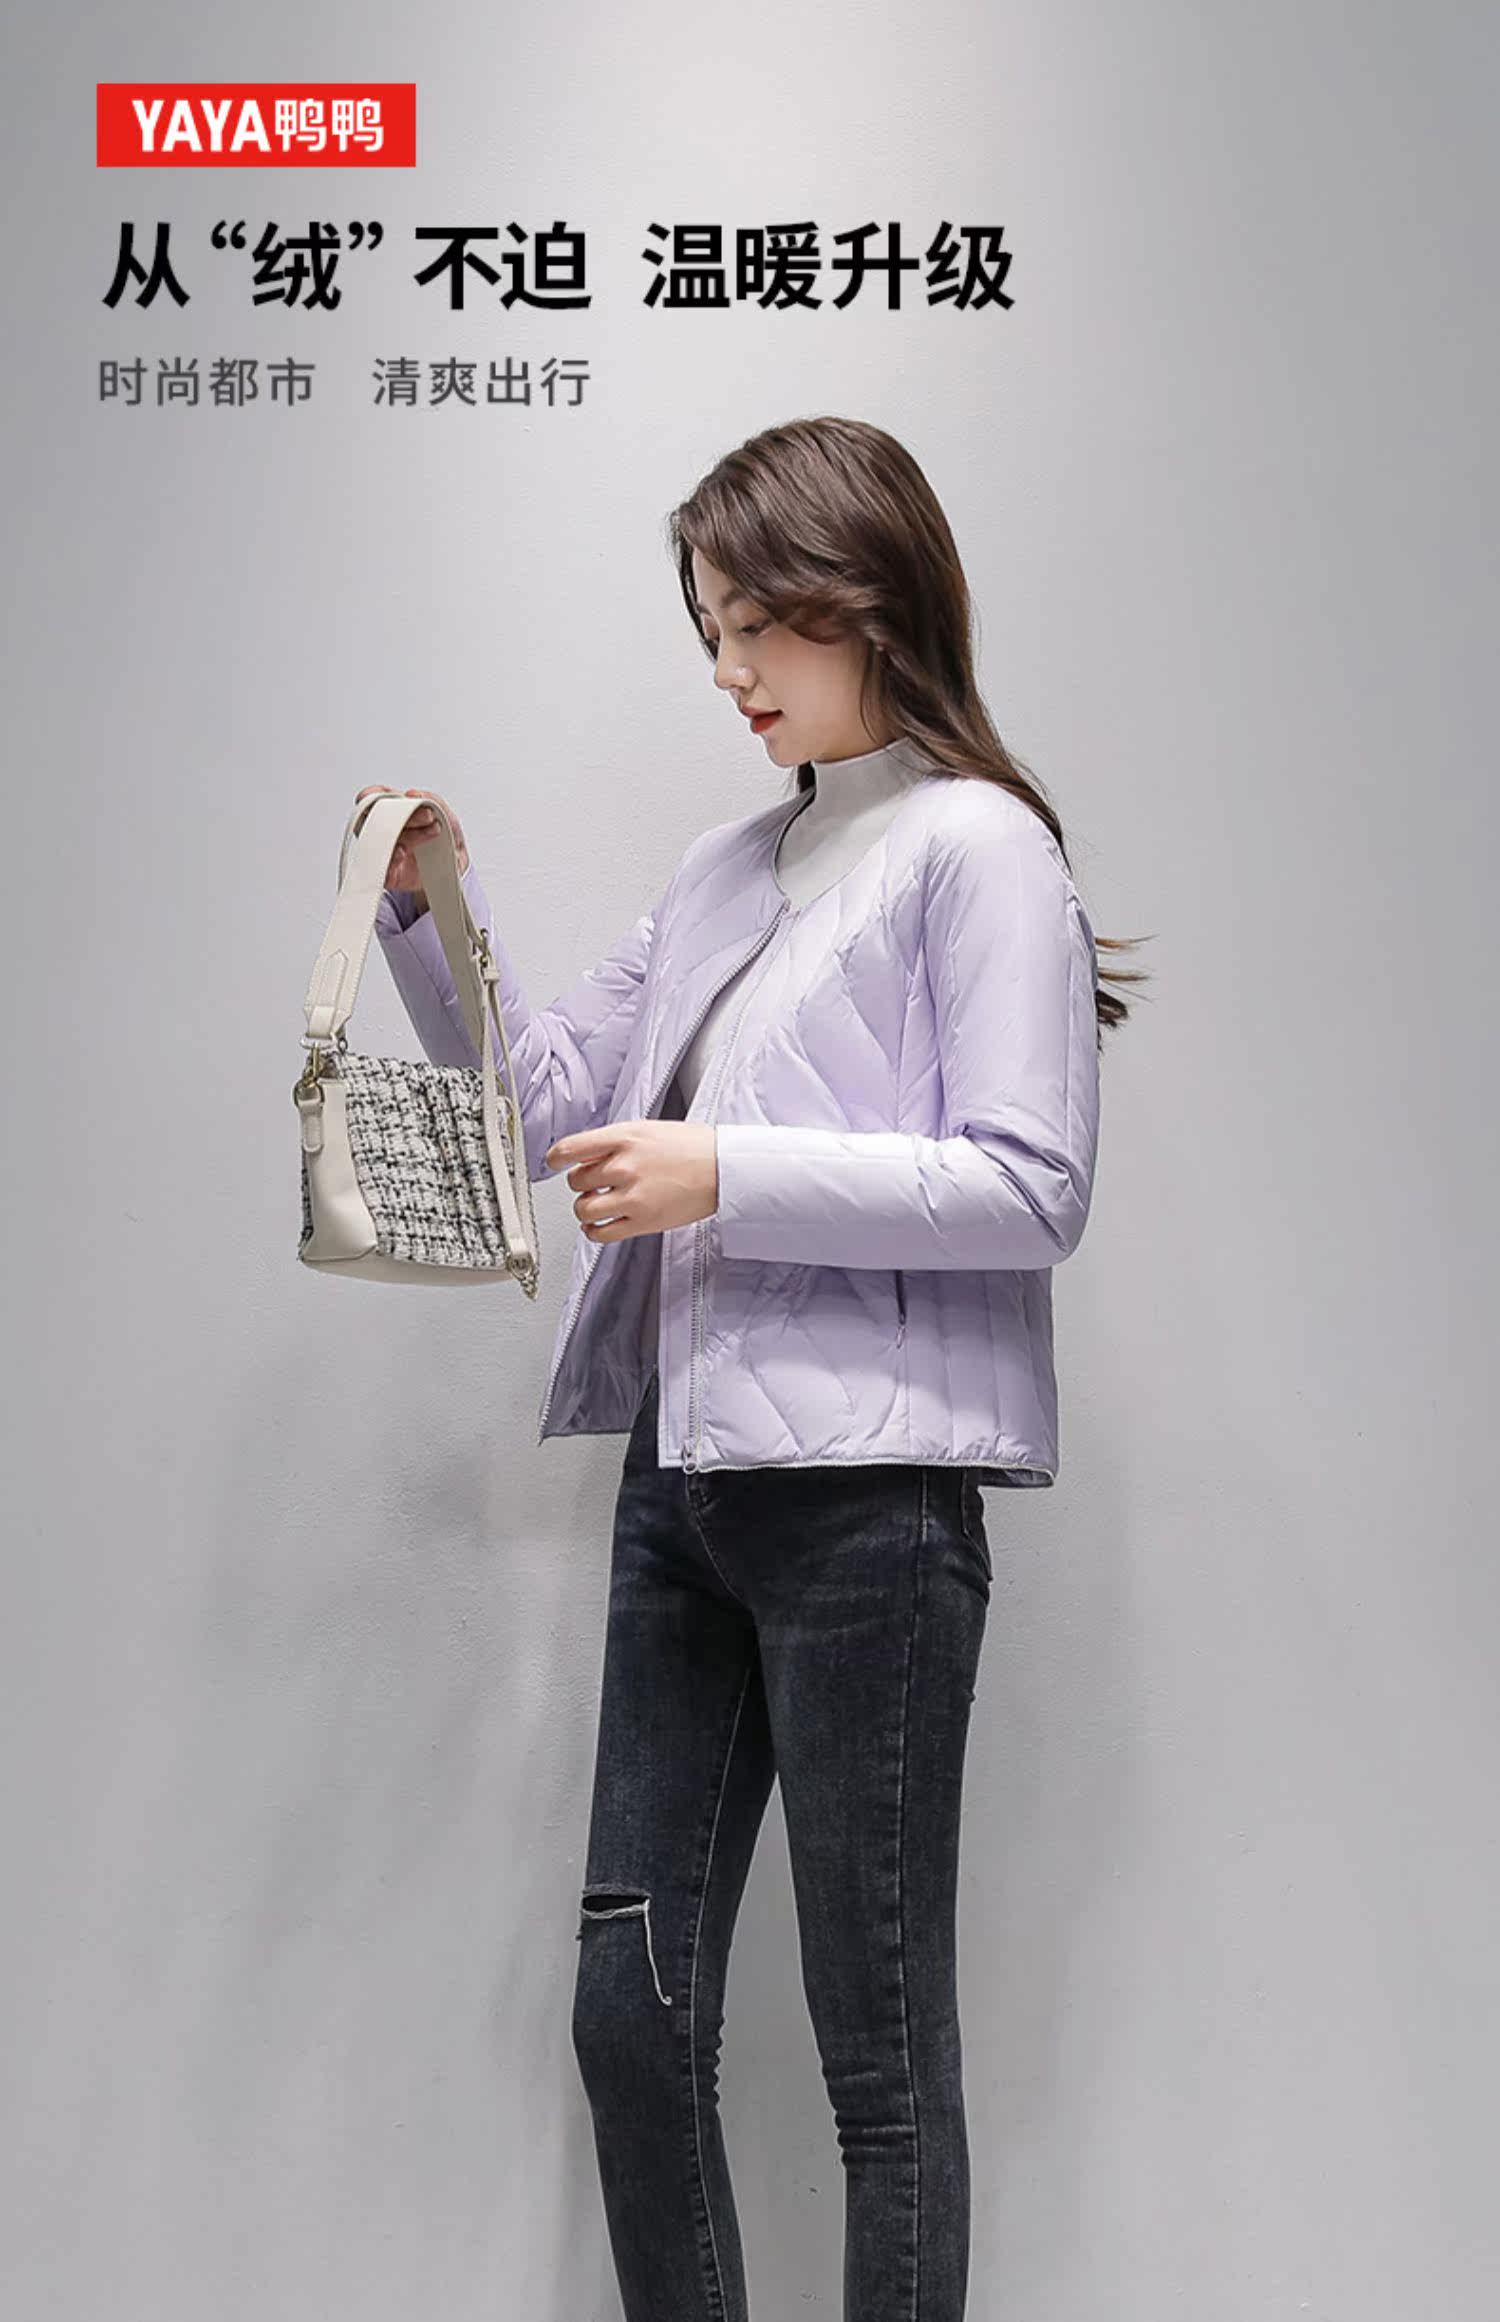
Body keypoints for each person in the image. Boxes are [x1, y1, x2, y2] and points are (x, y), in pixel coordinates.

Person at [360, 415, 1147, 2320]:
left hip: (872, 1511)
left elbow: (1032, 1186)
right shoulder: (732, 867)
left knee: (880, 2063)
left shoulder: (980, 848)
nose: (726, 668)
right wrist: (429, 910)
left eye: (752, 623)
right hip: (682, 1495)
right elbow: (547, 1101)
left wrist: (724, 1170)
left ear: (860, 595)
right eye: (709, 628)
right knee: (628, 2017)